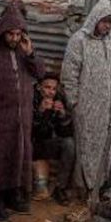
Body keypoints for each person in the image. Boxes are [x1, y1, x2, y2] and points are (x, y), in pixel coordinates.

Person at [0, 3, 44, 222]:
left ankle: (13, 196)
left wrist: (31, 53)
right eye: (11, 34)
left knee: (19, 155)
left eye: (18, 34)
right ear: (3, 31)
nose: (14, 38)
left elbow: (40, 73)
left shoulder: (24, 51)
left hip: (20, 117)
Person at [61, 0, 111, 195]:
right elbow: (69, 74)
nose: (106, 26)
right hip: (88, 107)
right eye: (104, 21)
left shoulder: (109, 41)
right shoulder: (79, 41)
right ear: (95, 19)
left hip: (110, 108)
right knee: (89, 146)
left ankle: (108, 183)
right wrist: (74, 101)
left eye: (109, 22)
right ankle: (90, 186)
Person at [31, 74, 75, 205]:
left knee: (69, 144)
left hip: (48, 144)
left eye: (54, 88)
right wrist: (40, 112)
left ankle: (60, 188)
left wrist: (62, 116)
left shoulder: (59, 99)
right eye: (47, 87)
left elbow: (67, 132)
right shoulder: (31, 98)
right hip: (32, 145)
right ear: (39, 87)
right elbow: (30, 131)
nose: (50, 92)